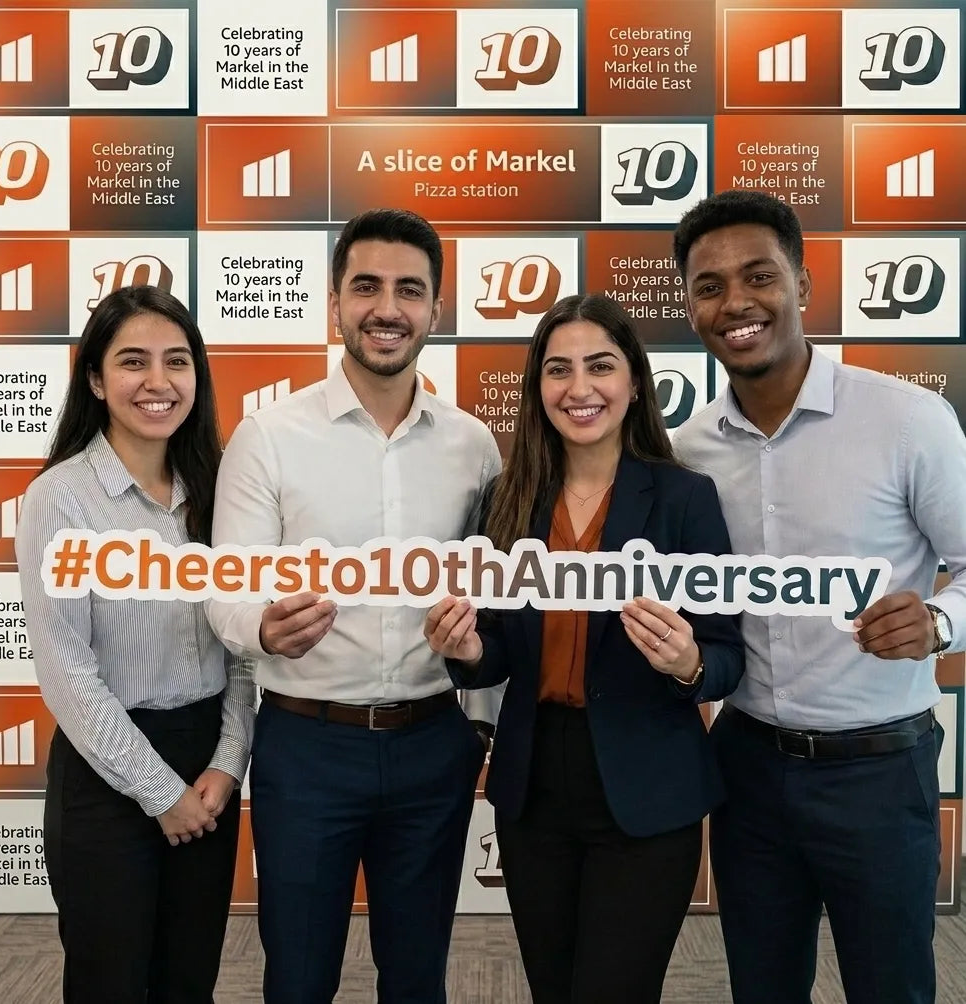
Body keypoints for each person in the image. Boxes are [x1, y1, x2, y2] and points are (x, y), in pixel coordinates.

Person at [672, 189, 966, 1004]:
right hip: (748, 767)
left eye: (759, 276)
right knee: (762, 987)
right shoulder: (688, 451)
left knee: (891, 987)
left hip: (880, 772)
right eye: (709, 286)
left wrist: (939, 621)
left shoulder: (907, 420)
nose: (736, 302)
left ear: (802, 284)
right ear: (689, 307)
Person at [205, 207, 501, 1003]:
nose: (387, 308)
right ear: (334, 302)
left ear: (436, 308)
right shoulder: (268, 436)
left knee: (417, 978)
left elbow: (496, 601)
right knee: (299, 979)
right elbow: (228, 590)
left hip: (433, 745)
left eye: (410, 289)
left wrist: (477, 724)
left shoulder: (474, 445)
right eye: (366, 287)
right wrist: (262, 626)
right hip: (308, 747)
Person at [424, 292, 745, 1004]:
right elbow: (495, 651)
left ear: (634, 382)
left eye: (600, 366)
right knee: (553, 987)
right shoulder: (507, 499)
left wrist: (689, 663)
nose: (579, 388)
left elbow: (727, 655)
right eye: (558, 369)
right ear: (537, 388)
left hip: (646, 788)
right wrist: (467, 650)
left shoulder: (684, 498)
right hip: (534, 786)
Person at [14, 285, 254, 1003]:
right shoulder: (61, 498)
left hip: (206, 766)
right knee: (109, 983)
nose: (159, 381)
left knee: (189, 982)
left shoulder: (219, 488)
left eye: (177, 361)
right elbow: (67, 673)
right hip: (107, 774)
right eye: (133, 361)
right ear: (95, 379)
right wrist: (160, 792)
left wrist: (226, 763)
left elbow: (240, 642)